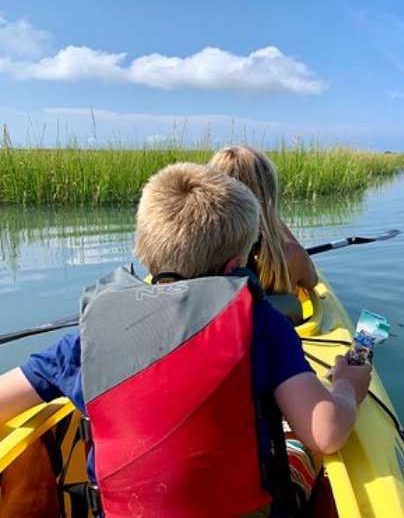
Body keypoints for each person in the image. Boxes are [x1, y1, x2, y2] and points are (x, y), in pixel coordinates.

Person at [0, 163, 371, 518]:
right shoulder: (264, 325)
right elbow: (326, 433)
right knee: (297, 450)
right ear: (234, 266)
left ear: (142, 253)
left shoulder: (84, 343)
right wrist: (344, 388)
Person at [210, 146, 318, 293]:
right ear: (269, 193)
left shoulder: (200, 257)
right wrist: (270, 216)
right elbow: (312, 280)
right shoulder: (290, 256)